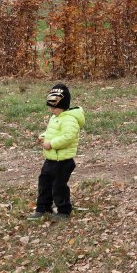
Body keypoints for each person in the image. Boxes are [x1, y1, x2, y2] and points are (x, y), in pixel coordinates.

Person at [28, 83, 85, 220]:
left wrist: (51, 144)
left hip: (63, 161)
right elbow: (51, 132)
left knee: (59, 186)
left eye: (54, 107)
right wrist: (43, 137)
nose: (51, 110)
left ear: (63, 105)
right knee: (44, 182)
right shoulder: (55, 118)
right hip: (51, 159)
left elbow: (68, 137)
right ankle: (43, 207)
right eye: (50, 107)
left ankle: (64, 210)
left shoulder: (70, 119)